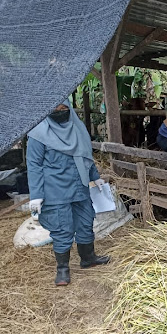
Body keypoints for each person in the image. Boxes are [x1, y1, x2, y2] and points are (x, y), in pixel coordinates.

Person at [26, 100, 110, 286]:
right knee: (62, 229)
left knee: (85, 223)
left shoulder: (77, 128)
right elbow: (34, 166)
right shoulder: (38, 134)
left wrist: (95, 177)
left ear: (69, 109)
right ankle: (62, 269)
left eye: (64, 108)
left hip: (79, 186)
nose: (60, 111)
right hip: (55, 190)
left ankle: (88, 258)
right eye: (54, 109)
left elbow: (86, 155)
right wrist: (36, 195)